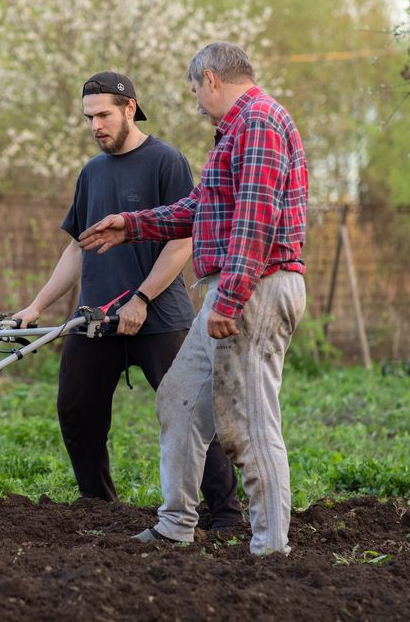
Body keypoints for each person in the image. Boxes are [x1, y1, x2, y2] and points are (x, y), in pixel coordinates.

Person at [78, 44, 308, 556]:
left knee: (250, 423)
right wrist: (131, 225)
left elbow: (254, 220)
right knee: (178, 398)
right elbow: (203, 207)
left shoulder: (259, 122)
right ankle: (176, 524)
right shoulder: (236, 130)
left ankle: (271, 549)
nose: (198, 105)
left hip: (255, 287)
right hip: (232, 287)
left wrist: (229, 299)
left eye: (195, 93)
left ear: (210, 79)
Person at [12, 71, 242, 532]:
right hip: (95, 318)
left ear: (129, 109)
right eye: (88, 117)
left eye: (103, 115)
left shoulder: (165, 161)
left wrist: (140, 298)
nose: (95, 125)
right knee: (77, 412)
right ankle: (99, 506)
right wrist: (35, 307)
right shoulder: (92, 172)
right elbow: (78, 245)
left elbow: (184, 239)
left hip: (158, 316)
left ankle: (227, 516)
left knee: (190, 411)